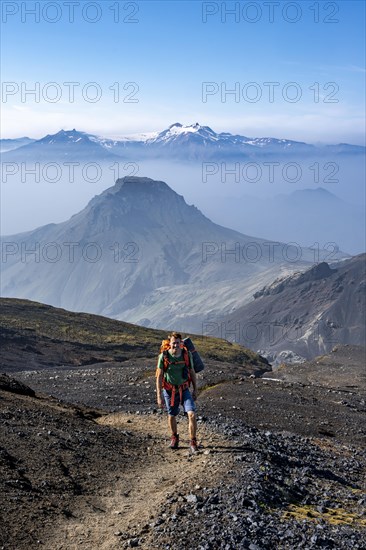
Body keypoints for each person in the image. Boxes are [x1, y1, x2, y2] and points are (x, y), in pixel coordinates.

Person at [156, 332, 198, 453]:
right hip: (169, 391)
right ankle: (174, 437)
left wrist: (195, 389)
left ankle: (193, 441)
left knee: (192, 414)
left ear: (181, 343)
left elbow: (192, 371)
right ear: (170, 343)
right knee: (172, 415)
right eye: (173, 343)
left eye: (177, 343)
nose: (175, 345)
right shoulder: (163, 357)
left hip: (184, 389)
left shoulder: (186, 354)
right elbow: (159, 377)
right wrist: (159, 396)